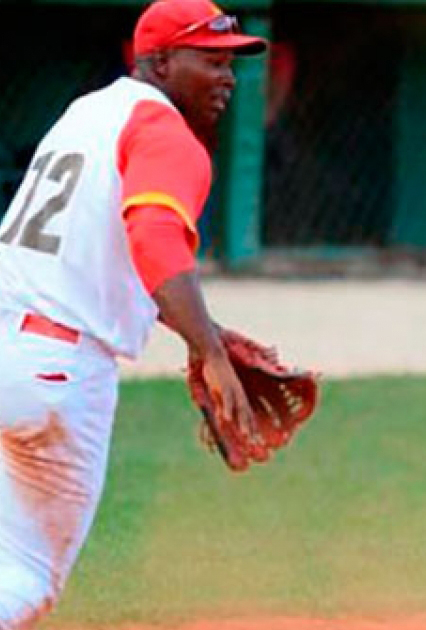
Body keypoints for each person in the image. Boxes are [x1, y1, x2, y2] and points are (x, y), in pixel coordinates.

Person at [0, 0, 265, 624]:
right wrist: (210, 353)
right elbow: (152, 239)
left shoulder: (88, 111)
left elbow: (107, 258)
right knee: (27, 571)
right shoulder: (167, 134)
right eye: (211, 60)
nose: (228, 77)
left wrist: (207, 332)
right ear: (160, 61)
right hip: (55, 374)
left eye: (231, 62)